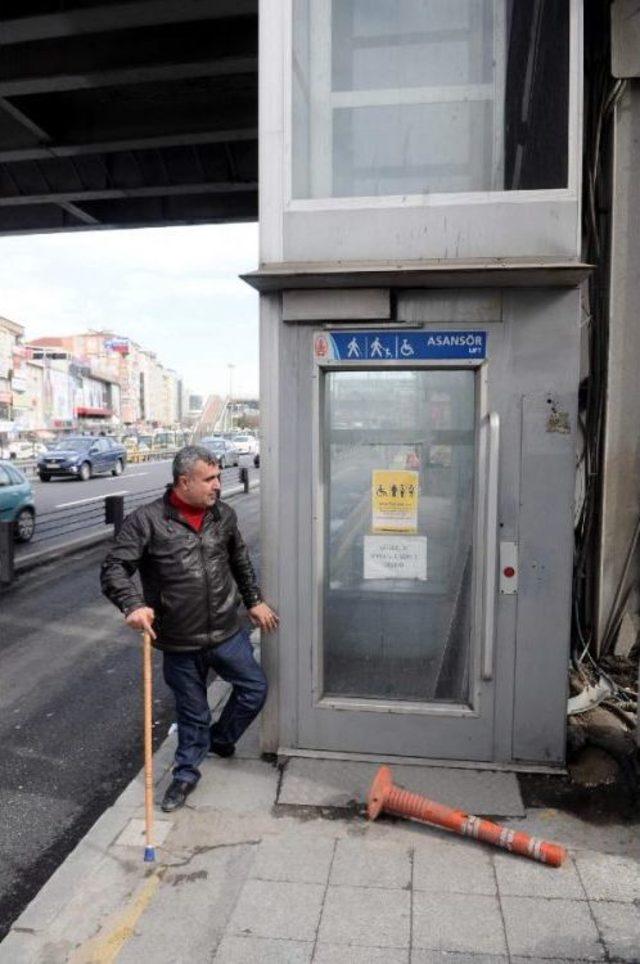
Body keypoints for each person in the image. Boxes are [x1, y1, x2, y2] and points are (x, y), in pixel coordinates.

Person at [100, 445, 278, 812]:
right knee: (192, 712)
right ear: (185, 482)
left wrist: (254, 600)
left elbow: (240, 560)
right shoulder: (147, 522)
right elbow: (114, 568)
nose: (217, 485)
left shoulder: (222, 516)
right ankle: (185, 775)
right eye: (209, 479)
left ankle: (220, 740)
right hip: (180, 641)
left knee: (254, 689)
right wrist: (133, 605)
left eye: (218, 477)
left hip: (228, 632)